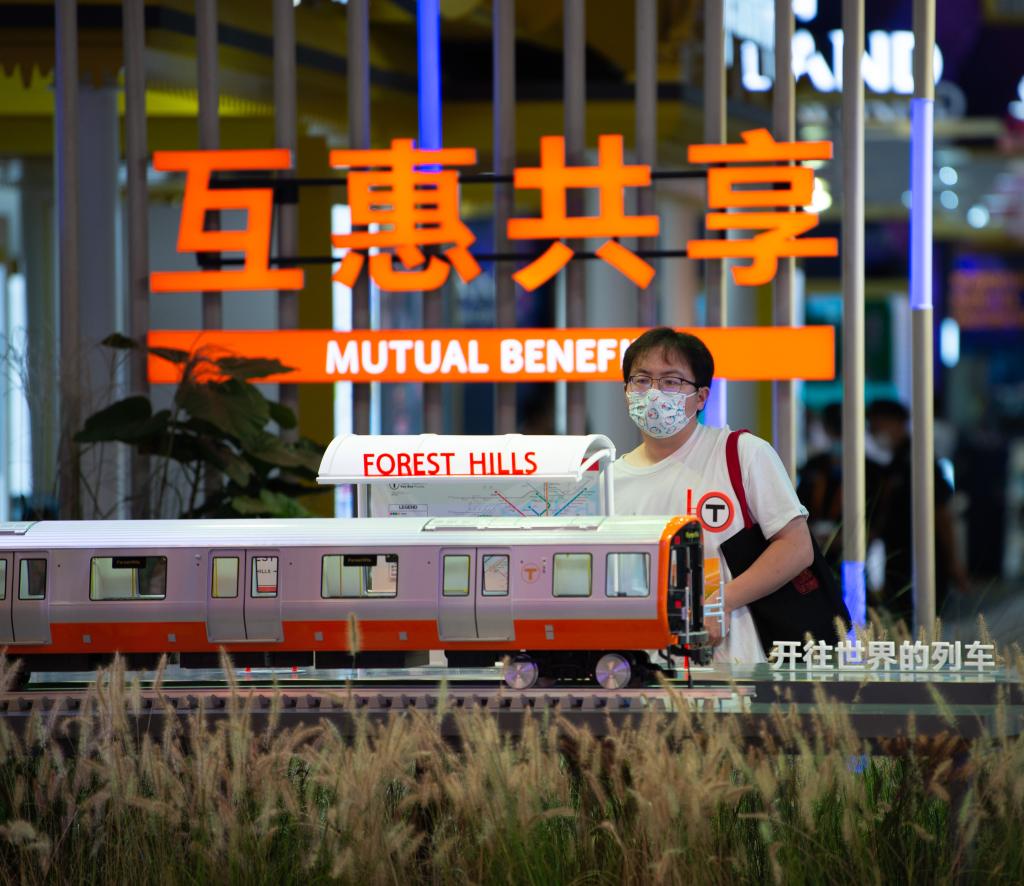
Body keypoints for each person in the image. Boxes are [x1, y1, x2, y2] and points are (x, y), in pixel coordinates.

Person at [613, 327, 814, 663]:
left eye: (671, 381)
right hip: (642, 670)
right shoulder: (611, 480)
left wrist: (722, 602)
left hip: (735, 667)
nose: (654, 393)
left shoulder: (741, 453)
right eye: (642, 380)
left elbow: (797, 547)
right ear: (627, 391)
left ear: (701, 397)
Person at [866, 399, 970, 629]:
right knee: (903, 621)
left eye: (877, 425)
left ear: (898, 423)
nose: (873, 433)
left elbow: (941, 513)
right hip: (899, 557)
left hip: (924, 557)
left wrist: (954, 562)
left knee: (921, 622)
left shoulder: (920, 461)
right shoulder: (894, 462)